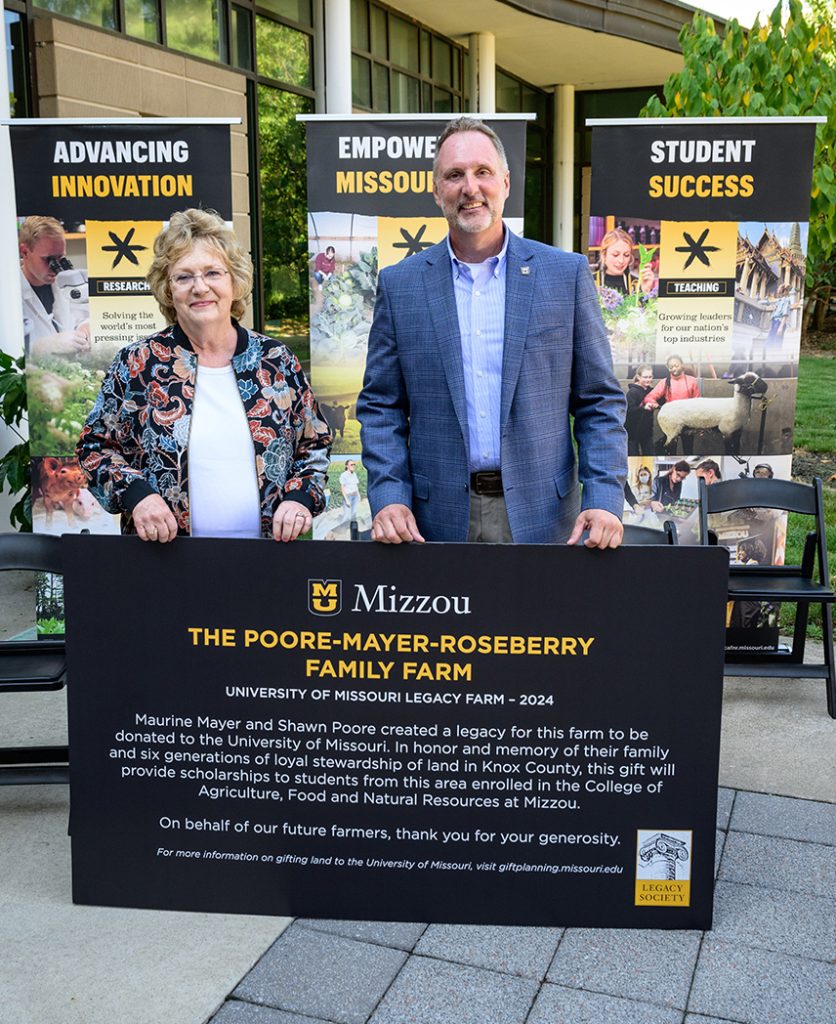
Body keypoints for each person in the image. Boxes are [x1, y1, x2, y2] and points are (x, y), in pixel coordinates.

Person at [357, 116, 626, 548]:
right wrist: (389, 496)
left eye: (482, 172)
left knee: (539, 620)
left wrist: (605, 498)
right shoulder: (401, 285)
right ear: (436, 190)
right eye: (454, 175)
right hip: (433, 522)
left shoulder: (564, 275)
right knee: (445, 621)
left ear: (504, 181)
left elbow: (599, 400)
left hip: (545, 516)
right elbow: (381, 404)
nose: (470, 187)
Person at [77, 208, 331, 543]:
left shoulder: (275, 360)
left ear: (234, 281)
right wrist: (137, 495)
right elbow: (95, 447)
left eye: (213, 273)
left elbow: (314, 444)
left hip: (269, 559)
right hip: (165, 560)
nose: (200, 287)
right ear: (168, 290)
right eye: (184, 277)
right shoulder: (138, 364)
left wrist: (300, 498)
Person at [19, 216, 90, 359]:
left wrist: (86, 328)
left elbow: (82, 317)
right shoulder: (10, 293)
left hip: (68, 374)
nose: (55, 266)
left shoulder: (66, 285)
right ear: (25, 252)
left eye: (61, 258)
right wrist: (41, 347)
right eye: (48, 259)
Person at [642, 355, 701, 454]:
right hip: (671, 421)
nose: (674, 369)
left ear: (682, 365)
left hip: (688, 421)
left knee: (688, 449)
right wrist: (656, 405)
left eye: (676, 366)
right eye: (671, 367)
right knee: (670, 450)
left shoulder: (692, 381)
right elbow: (649, 397)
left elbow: (697, 402)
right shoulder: (665, 382)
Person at [595, 228, 656, 296]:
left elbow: (645, 306)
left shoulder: (636, 284)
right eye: (615, 255)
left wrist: (646, 291)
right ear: (604, 255)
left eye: (626, 255)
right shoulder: (589, 282)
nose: (621, 260)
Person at [625, 364, 655, 456]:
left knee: (649, 455)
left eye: (650, 377)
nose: (648, 379)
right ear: (638, 377)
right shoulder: (632, 392)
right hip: (633, 432)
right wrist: (643, 408)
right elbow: (629, 409)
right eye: (645, 377)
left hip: (647, 431)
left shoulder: (652, 391)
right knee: (633, 455)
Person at [340, 460, 360, 526]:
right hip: (348, 496)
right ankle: (341, 529)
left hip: (355, 496)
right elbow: (342, 488)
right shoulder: (343, 475)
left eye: (354, 464)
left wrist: (358, 495)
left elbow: (356, 485)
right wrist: (346, 500)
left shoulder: (354, 474)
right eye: (351, 464)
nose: (353, 466)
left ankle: (352, 528)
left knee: (354, 513)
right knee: (346, 515)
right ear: (347, 466)